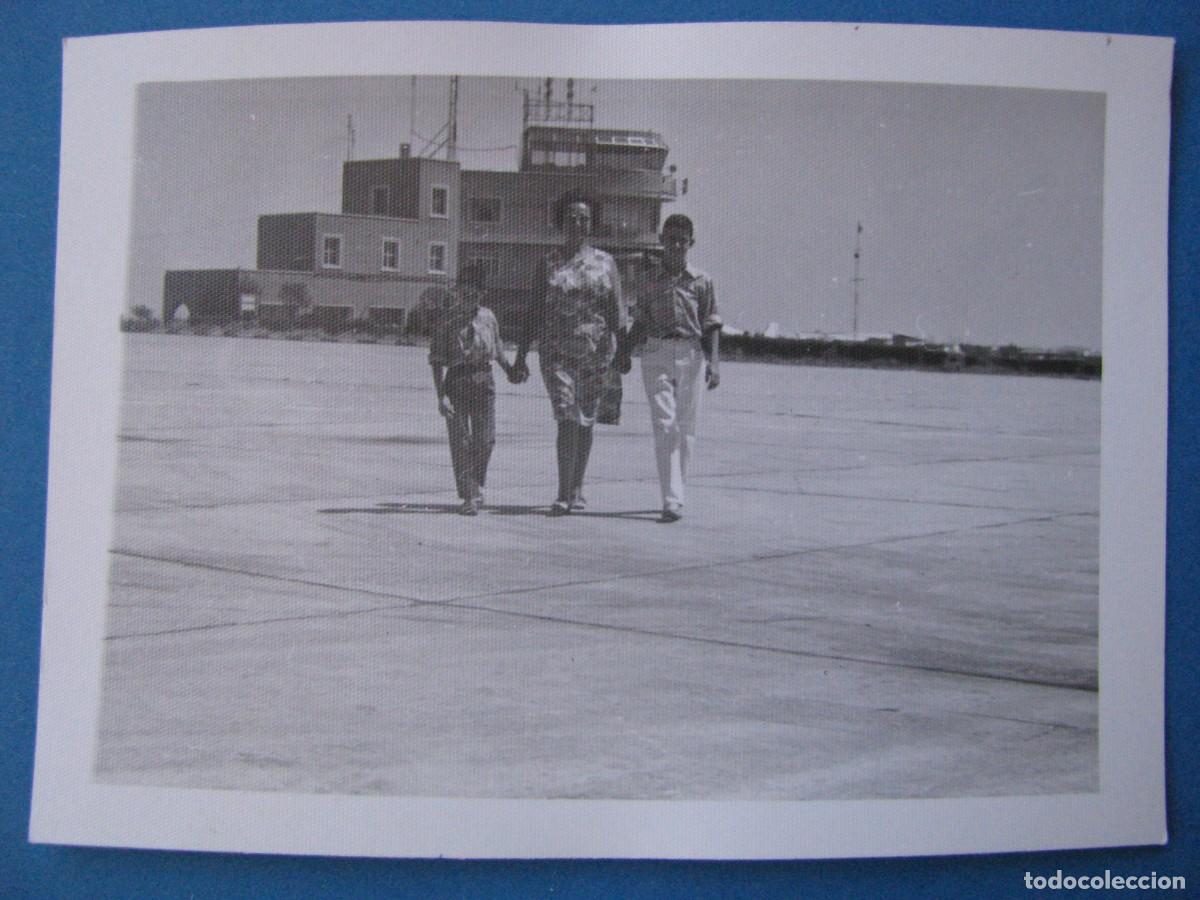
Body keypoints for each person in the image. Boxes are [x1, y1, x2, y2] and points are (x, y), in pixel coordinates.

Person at [512, 196, 624, 516]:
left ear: (591, 224)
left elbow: (617, 312)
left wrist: (622, 354)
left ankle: (577, 486)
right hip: (556, 353)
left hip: (596, 354)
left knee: (586, 421)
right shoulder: (548, 261)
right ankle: (563, 492)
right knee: (566, 417)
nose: (577, 223)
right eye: (572, 218)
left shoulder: (606, 262)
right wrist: (521, 355)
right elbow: (533, 310)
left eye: (584, 218)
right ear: (562, 222)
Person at [617, 213, 721, 523]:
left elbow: (712, 323)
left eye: (682, 240)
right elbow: (641, 322)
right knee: (665, 425)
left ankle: (677, 491)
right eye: (671, 239)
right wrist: (624, 352)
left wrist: (714, 362)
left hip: (690, 353)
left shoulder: (702, 281)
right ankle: (671, 499)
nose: (676, 245)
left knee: (686, 430)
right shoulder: (648, 281)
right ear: (661, 240)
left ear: (691, 243)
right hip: (656, 352)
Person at [428, 266, 519, 516]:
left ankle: (477, 483)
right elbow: (436, 359)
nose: (469, 296)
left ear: (482, 294)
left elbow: (498, 348)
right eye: (464, 291)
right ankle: (470, 495)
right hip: (456, 381)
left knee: (486, 440)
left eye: (475, 292)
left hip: (484, 380)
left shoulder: (488, 317)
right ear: (458, 292)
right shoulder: (447, 319)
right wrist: (441, 395)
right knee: (461, 442)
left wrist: (510, 369)